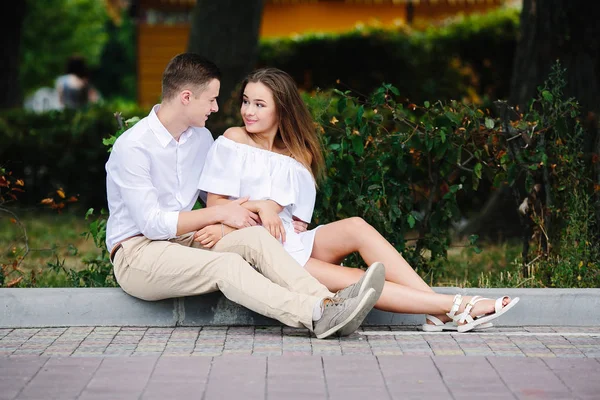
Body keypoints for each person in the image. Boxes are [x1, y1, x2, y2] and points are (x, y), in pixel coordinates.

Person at [198, 67, 520, 333]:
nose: (248, 111)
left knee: (356, 226)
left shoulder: (299, 153)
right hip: (263, 247)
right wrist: (262, 206)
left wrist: (274, 209)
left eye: (259, 104)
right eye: (246, 102)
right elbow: (215, 207)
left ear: (282, 108)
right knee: (359, 281)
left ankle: (437, 309)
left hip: (291, 238)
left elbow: (298, 219)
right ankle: (454, 305)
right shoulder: (233, 141)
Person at [105, 53, 386, 339]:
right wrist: (220, 214)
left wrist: (265, 206)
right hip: (138, 253)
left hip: (184, 241)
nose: (216, 108)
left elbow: (219, 194)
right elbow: (153, 224)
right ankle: (314, 314)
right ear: (187, 97)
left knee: (256, 238)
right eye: (211, 99)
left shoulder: (199, 138)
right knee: (227, 266)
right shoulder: (134, 147)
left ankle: (329, 301)